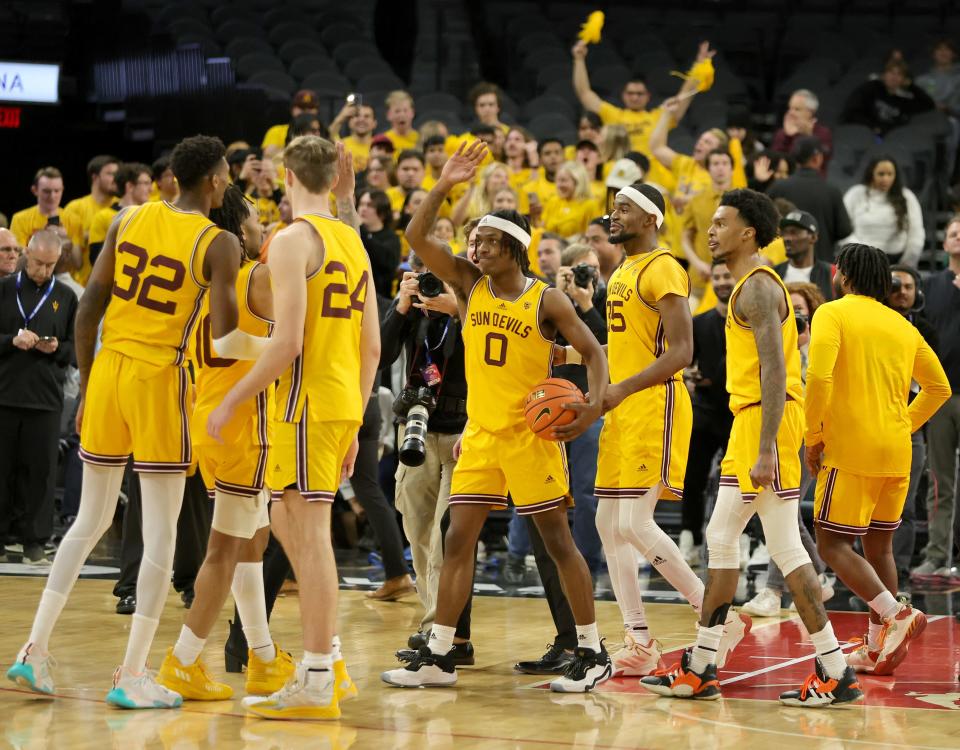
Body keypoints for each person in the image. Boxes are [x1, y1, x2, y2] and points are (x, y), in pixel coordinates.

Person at [6, 135, 241, 708]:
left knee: (89, 518)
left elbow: (88, 309)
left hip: (109, 370)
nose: (230, 181)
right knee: (160, 531)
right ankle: (132, 673)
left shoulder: (128, 219)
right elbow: (228, 340)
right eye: (227, 174)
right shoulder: (220, 242)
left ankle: (32, 651)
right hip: (160, 379)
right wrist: (287, 343)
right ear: (212, 181)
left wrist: (87, 386)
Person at [381, 141, 612, 693]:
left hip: (531, 438)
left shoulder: (546, 301)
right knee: (457, 541)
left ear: (512, 247)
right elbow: (416, 238)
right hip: (480, 437)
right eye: (474, 240)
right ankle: (440, 652)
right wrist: (443, 184)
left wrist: (590, 409)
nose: (475, 247)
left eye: (486, 241)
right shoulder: (467, 283)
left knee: (558, 545)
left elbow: (596, 352)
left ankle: (592, 649)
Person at [642, 188, 862, 707]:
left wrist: (765, 448)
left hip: (767, 422)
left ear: (748, 232)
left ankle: (708, 665)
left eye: (720, 223)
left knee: (744, 543)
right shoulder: (750, 284)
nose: (710, 230)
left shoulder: (758, 289)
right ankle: (823, 668)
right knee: (763, 544)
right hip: (762, 422)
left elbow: (776, 369)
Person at [208, 136, 379, 720]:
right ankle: (328, 662)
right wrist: (355, 419)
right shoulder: (352, 242)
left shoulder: (290, 241)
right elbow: (372, 347)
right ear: (334, 180)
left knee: (309, 539)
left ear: (286, 176)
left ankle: (314, 678)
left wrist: (230, 400)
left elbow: (286, 343)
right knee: (284, 518)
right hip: (334, 405)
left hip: (304, 403)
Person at [570, 182, 726, 679]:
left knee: (635, 524)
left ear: (652, 218)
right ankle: (639, 640)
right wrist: (572, 357)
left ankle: (718, 615)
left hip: (655, 403)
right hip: (624, 405)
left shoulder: (664, 267)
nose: (613, 215)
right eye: (613, 208)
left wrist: (621, 389)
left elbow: (681, 352)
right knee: (606, 526)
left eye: (625, 209)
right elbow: (624, 347)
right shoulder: (621, 271)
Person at [147, 184, 293, 700]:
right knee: (225, 549)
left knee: (252, 540)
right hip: (243, 425)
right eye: (255, 219)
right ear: (238, 228)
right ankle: (183, 661)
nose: (263, 226)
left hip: (206, 413)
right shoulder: (257, 277)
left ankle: (264, 657)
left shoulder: (204, 279)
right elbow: (294, 341)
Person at [806, 244, 949, 675]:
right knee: (879, 545)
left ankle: (895, 613)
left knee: (831, 543)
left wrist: (814, 436)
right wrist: (903, 424)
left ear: (844, 276)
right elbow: (939, 387)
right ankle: (876, 648)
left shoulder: (833, 312)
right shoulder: (901, 325)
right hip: (897, 448)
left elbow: (818, 376)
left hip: (852, 447)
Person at [741, 282, 834, 617]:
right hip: (771, 433)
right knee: (782, 511)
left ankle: (772, 590)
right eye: (788, 312)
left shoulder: (821, 348)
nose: (794, 317)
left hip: (809, 436)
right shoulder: (770, 343)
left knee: (783, 510)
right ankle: (818, 574)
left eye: (801, 312)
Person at [0, 230, 78, 564]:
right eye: (37, 263)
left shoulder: (66, 295)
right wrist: (10, 341)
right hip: (4, 395)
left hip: (46, 399)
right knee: (2, 471)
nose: (43, 271)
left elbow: (76, 350)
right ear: (24, 255)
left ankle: (35, 541)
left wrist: (56, 347)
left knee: (41, 473)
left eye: (50, 265)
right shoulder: (4, 290)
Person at [571, 40, 713, 165]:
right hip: (619, 171)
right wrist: (579, 59)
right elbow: (585, 94)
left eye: (639, 94)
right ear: (623, 96)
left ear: (648, 96)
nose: (635, 97)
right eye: (630, 93)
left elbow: (685, 96)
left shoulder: (659, 116)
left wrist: (699, 67)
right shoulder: (612, 115)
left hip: (651, 175)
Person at [553, 242, 606, 577]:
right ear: (566, 271)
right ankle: (521, 555)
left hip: (589, 405)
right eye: (583, 269)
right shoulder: (548, 299)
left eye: (595, 269)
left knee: (587, 491)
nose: (591, 275)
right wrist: (561, 294)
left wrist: (585, 305)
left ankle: (587, 558)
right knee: (543, 484)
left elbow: (603, 347)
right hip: (552, 401)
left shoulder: (601, 301)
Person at [913, 216, 960, 578]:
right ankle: (937, 555)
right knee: (940, 481)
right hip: (941, 396)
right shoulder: (931, 286)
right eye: (952, 233)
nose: (957, 237)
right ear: (944, 245)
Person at [679, 261, 735, 567]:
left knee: (737, 483)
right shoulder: (699, 323)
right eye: (717, 277)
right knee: (693, 478)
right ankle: (689, 537)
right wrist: (691, 376)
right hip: (704, 411)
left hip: (738, 412)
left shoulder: (747, 322)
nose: (723, 281)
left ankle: (740, 541)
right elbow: (688, 364)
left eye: (727, 275)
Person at [888, 265, 939, 579]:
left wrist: (909, 423)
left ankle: (900, 568)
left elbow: (936, 386)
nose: (902, 292)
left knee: (904, 505)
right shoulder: (869, 323)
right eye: (895, 286)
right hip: (870, 424)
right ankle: (858, 569)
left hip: (909, 425)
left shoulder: (924, 330)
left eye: (908, 286)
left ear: (917, 292)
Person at [768, 137, 852, 263]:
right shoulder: (831, 190)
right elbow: (845, 230)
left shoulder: (778, 187)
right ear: (817, 158)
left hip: (784, 263)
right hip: (821, 263)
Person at [649, 97, 731, 213]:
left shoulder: (720, 174)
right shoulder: (687, 163)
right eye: (701, 140)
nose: (700, 143)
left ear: (718, 151)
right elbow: (657, 148)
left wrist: (680, 199)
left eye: (707, 142)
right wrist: (666, 114)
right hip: (676, 228)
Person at [842, 155, 924, 267]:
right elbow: (844, 229)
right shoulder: (855, 194)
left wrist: (907, 262)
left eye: (890, 174)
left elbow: (916, 233)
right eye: (881, 174)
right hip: (860, 260)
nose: (885, 179)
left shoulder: (907, 197)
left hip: (895, 261)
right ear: (871, 173)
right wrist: (857, 253)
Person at [682, 149, 735, 306]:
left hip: (733, 278)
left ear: (732, 169)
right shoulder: (696, 200)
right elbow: (685, 236)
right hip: (700, 277)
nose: (720, 168)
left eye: (725, 163)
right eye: (715, 164)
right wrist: (697, 263)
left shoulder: (744, 199)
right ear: (708, 169)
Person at [10, 167, 83, 274]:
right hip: (30, 277)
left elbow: (78, 264)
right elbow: (16, 264)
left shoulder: (74, 220)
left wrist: (66, 238)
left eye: (57, 191)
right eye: (46, 191)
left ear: (62, 190)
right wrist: (42, 238)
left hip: (63, 279)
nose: (52, 196)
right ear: (35, 190)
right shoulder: (20, 219)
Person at [62, 154, 120, 282]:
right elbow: (65, 250)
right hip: (81, 283)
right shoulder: (74, 208)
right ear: (95, 177)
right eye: (110, 174)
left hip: (113, 284)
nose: (116, 179)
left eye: (118, 174)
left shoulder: (122, 207)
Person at [842, 60, 935, 136]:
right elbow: (851, 111)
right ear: (883, 75)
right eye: (891, 72)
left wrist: (911, 86)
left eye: (899, 74)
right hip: (863, 132)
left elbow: (928, 104)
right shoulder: (871, 88)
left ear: (904, 80)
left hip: (888, 140)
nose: (894, 77)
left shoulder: (905, 100)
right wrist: (873, 127)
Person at [89, 163, 152, 266]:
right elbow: (95, 259)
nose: (151, 189)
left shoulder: (149, 215)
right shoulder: (103, 217)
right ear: (130, 186)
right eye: (145, 183)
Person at [773, 210, 836, 302]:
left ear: (813, 237)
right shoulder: (774, 274)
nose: (787, 238)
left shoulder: (832, 273)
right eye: (785, 233)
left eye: (794, 232)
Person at [771, 90, 833, 171]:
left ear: (811, 112)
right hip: (786, 181)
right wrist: (787, 137)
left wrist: (809, 136)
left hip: (811, 180)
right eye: (790, 108)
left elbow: (823, 159)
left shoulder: (823, 133)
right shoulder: (782, 133)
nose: (790, 113)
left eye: (797, 109)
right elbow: (774, 162)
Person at [358, 190, 401, 299]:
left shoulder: (391, 238)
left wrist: (362, 231)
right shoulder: (352, 234)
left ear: (382, 213)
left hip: (380, 299)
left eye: (370, 205)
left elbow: (387, 263)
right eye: (361, 204)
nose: (363, 208)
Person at [540, 161, 597, 238]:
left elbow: (592, 236)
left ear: (577, 182)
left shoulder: (589, 205)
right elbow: (542, 230)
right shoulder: (553, 201)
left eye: (563, 180)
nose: (559, 185)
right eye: (558, 180)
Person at [261, 89, 319, 157]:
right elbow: (268, 154)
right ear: (292, 110)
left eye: (310, 108)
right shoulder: (277, 130)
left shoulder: (322, 131)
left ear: (317, 111)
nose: (305, 111)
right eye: (301, 108)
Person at [331, 102, 377, 173]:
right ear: (349, 122)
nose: (361, 119)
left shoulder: (381, 146)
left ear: (374, 123)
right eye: (357, 115)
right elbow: (329, 135)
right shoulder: (340, 145)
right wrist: (341, 117)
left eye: (367, 116)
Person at [584, 216, 623, 285]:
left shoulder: (631, 272)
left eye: (596, 240)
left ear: (616, 242)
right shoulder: (584, 276)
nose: (588, 246)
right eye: (587, 240)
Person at [387, 150, 426, 215]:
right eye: (405, 169)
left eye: (415, 169)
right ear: (396, 171)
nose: (410, 174)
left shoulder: (431, 198)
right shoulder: (386, 198)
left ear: (424, 172)